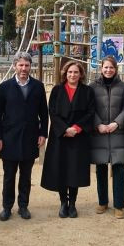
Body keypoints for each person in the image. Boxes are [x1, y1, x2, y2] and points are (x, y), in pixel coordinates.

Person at [0, 52, 49, 221]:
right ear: (15, 66)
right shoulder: (5, 87)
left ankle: (23, 206)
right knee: (9, 175)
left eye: (27, 65)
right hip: (9, 138)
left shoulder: (38, 86)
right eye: (21, 65)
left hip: (30, 138)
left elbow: (44, 114)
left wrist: (43, 133)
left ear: (30, 67)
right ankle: (7, 207)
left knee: (26, 175)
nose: (24, 68)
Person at [41, 61, 96, 218]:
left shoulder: (87, 91)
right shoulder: (57, 90)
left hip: (79, 137)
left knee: (75, 171)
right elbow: (52, 111)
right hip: (61, 137)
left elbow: (90, 113)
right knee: (61, 169)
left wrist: (77, 129)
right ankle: (63, 203)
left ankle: (72, 203)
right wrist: (64, 129)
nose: (73, 75)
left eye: (76, 72)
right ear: (65, 74)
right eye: (70, 72)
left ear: (81, 74)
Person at [89, 56, 124, 219]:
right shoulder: (92, 87)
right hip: (100, 133)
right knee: (101, 169)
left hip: (117, 133)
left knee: (119, 169)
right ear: (101, 68)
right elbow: (90, 109)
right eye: (105, 67)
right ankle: (102, 201)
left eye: (111, 67)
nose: (108, 70)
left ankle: (119, 205)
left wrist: (117, 123)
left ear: (116, 69)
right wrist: (98, 124)